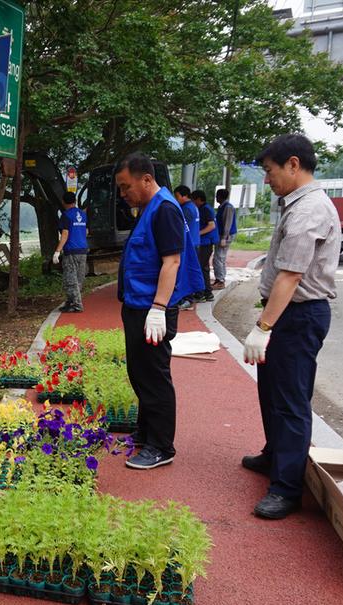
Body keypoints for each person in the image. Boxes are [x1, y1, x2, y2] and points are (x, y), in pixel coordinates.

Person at [242, 134, 340, 520]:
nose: (267, 179)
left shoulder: (309, 210)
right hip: (286, 314)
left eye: (269, 171)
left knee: (290, 400)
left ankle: (286, 488)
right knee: (271, 389)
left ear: (293, 165)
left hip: (298, 316)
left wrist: (264, 327)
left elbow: (290, 276)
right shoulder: (296, 205)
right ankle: (274, 455)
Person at [115, 154, 203, 470]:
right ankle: (146, 431)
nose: (124, 194)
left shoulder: (165, 209)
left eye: (126, 187)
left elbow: (172, 261)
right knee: (140, 372)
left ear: (146, 180)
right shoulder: (151, 208)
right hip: (138, 305)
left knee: (154, 376)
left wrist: (158, 309)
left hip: (152, 310)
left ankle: (161, 446)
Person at [52, 191, 89, 313]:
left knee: (70, 278)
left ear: (63, 202)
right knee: (78, 278)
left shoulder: (66, 215)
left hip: (71, 250)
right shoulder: (83, 215)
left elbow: (65, 233)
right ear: (75, 201)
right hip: (83, 250)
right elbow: (86, 231)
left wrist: (57, 251)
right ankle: (70, 302)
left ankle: (77, 304)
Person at [173, 185, 202, 310]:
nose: (176, 199)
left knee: (185, 271)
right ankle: (190, 298)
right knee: (191, 269)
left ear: (184, 196)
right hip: (195, 242)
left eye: (177, 196)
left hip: (188, 244)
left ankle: (188, 299)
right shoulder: (194, 207)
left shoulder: (185, 209)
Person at [192, 190, 218, 302]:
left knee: (201, 268)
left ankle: (201, 293)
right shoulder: (203, 209)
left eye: (193, 200)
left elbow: (211, 225)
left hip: (206, 243)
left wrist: (198, 233)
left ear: (198, 199)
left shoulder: (206, 209)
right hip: (204, 242)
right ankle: (207, 293)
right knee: (204, 268)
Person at [212, 188, 237, 289]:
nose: (216, 198)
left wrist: (224, 238)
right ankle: (220, 278)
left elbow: (227, 223)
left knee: (219, 258)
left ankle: (220, 280)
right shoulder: (222, 207)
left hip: (226, 235)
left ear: (220, 196)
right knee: (219, 258)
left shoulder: (227, 207)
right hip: (223, 235)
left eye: (217, 196)